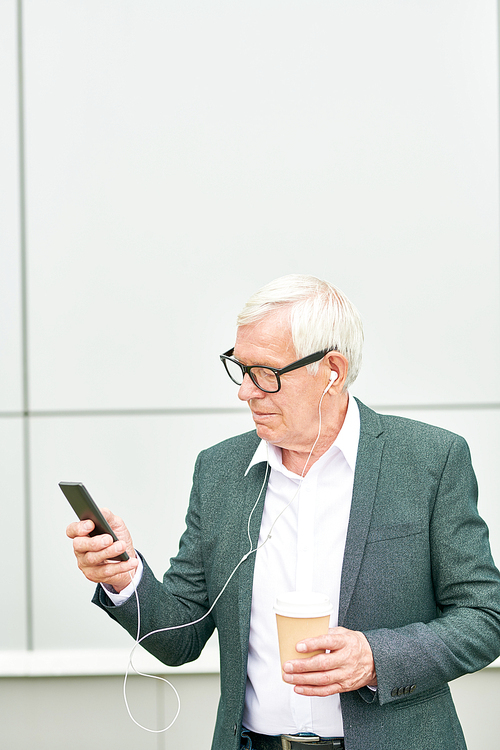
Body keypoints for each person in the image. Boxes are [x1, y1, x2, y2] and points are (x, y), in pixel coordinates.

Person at [67, 274, 500, 750]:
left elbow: (484, 615)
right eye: (240, 367)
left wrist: (375, 657)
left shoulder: (429, 460)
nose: (245, 392)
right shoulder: (219, 470)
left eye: (266, 372)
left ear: (332, 370)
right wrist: (122, 576)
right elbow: (180, 637)